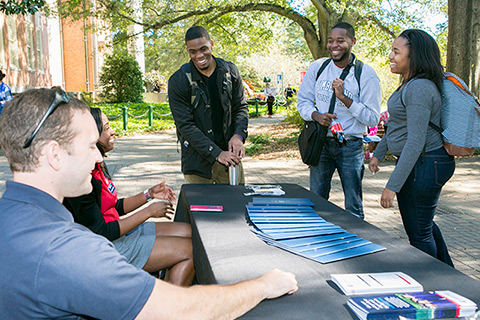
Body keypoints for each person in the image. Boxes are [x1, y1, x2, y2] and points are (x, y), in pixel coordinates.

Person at [0, 88, 298, 319]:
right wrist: (263, 285)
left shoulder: (18, 218)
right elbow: (182, 312)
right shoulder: (65, 249)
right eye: (90, 146)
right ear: (54, 155)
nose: (99, 157)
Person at [64, 107, 195, 286]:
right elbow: (102, 232)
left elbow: (112, 207)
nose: (113, 132)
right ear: (91, 137)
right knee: (192, 251)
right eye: (107, 128)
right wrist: (148, 212)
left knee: (191, 233)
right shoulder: (81, 177)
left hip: (119, 233)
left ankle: (160, 286)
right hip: (105, 246)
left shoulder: (98, 165)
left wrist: (149, 194)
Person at [369, 29, 455, 267]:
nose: (390, 56)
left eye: (397, 51)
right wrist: (378, 153)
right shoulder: (408, 84)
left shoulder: (419, 88)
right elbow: (396, 125)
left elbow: (416, 141)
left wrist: (391, 187)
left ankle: (432, 285)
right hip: (422, 163)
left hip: (428, 163)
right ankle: (449, 275)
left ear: (414, 55)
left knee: (419, 233)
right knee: (423, 225)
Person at [297, 22, 381, 219]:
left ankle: (356, 242)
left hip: (350, 145)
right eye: (331, 40)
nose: (334, 45)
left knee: (353, 204)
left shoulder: (365, 74)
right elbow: (303, 102)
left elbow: (372, 118)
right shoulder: (318, 67)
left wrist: (344, 98)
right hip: (320, 143)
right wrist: (316, 116)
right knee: (316, 200)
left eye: (340, 41)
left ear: (352, 42)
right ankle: (317, 240)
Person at [168, 26, 249, 184]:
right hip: (198, 164)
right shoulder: (178, 81)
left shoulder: (230, 72)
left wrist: (238, 136)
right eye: (193, 52)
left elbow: (240, 107)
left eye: (203, 49)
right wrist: (217, 153)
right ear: (187, 50)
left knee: (236, 206)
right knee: (200, 208)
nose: (199, 56)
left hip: (230, 161)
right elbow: (185, 125)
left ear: (211, 44)